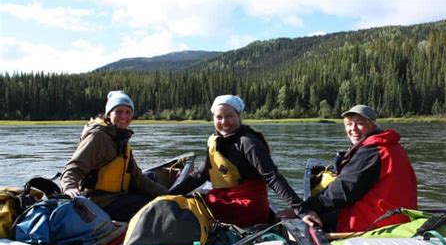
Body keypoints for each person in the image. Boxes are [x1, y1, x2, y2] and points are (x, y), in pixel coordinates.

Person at [169, 95, 308, 227]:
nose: (224, 122)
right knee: (190, 202)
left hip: (248, 207)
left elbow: (272, 177)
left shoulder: (248, 143)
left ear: (239, 116)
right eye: (219, 117)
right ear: (213, 118)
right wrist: (169, 195)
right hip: (227, 201)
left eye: (229, 116)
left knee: (194, 206)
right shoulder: (215, 142)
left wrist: (300, 209)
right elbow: (201, 174)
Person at [302, 105, 417, 232]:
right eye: (349, 124)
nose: (353, 129)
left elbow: (343, 191)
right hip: (400, 217)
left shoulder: (372, 151)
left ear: (373, 125)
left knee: (305, 220)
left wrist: (305, 207)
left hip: (378, 221)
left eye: (360, 123)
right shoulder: (392, 145)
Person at [60, 90, 168, 221]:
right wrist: (70, 187)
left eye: (128, 112)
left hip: (117, 196)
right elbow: (73, 167)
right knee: (148, 202)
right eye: (119, 111)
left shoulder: (121, 138)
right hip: (99, 203)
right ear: (109, 114)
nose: (124, 116)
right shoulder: (97, 137)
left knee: (151, 177)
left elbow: (137, 178)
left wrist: (166, 194)